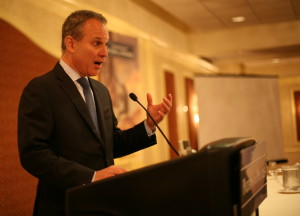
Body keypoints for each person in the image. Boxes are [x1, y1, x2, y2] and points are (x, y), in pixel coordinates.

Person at [18, 10, 172, 216]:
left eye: (106, 45)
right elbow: (33, 155)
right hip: (63, 206)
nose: (105, 53)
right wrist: (90, 176)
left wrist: (149, 125)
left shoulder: (101, 91)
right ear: (71, 44)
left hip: (104, 204)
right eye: (97, 43)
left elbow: (111, 144)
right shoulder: (41, 89)